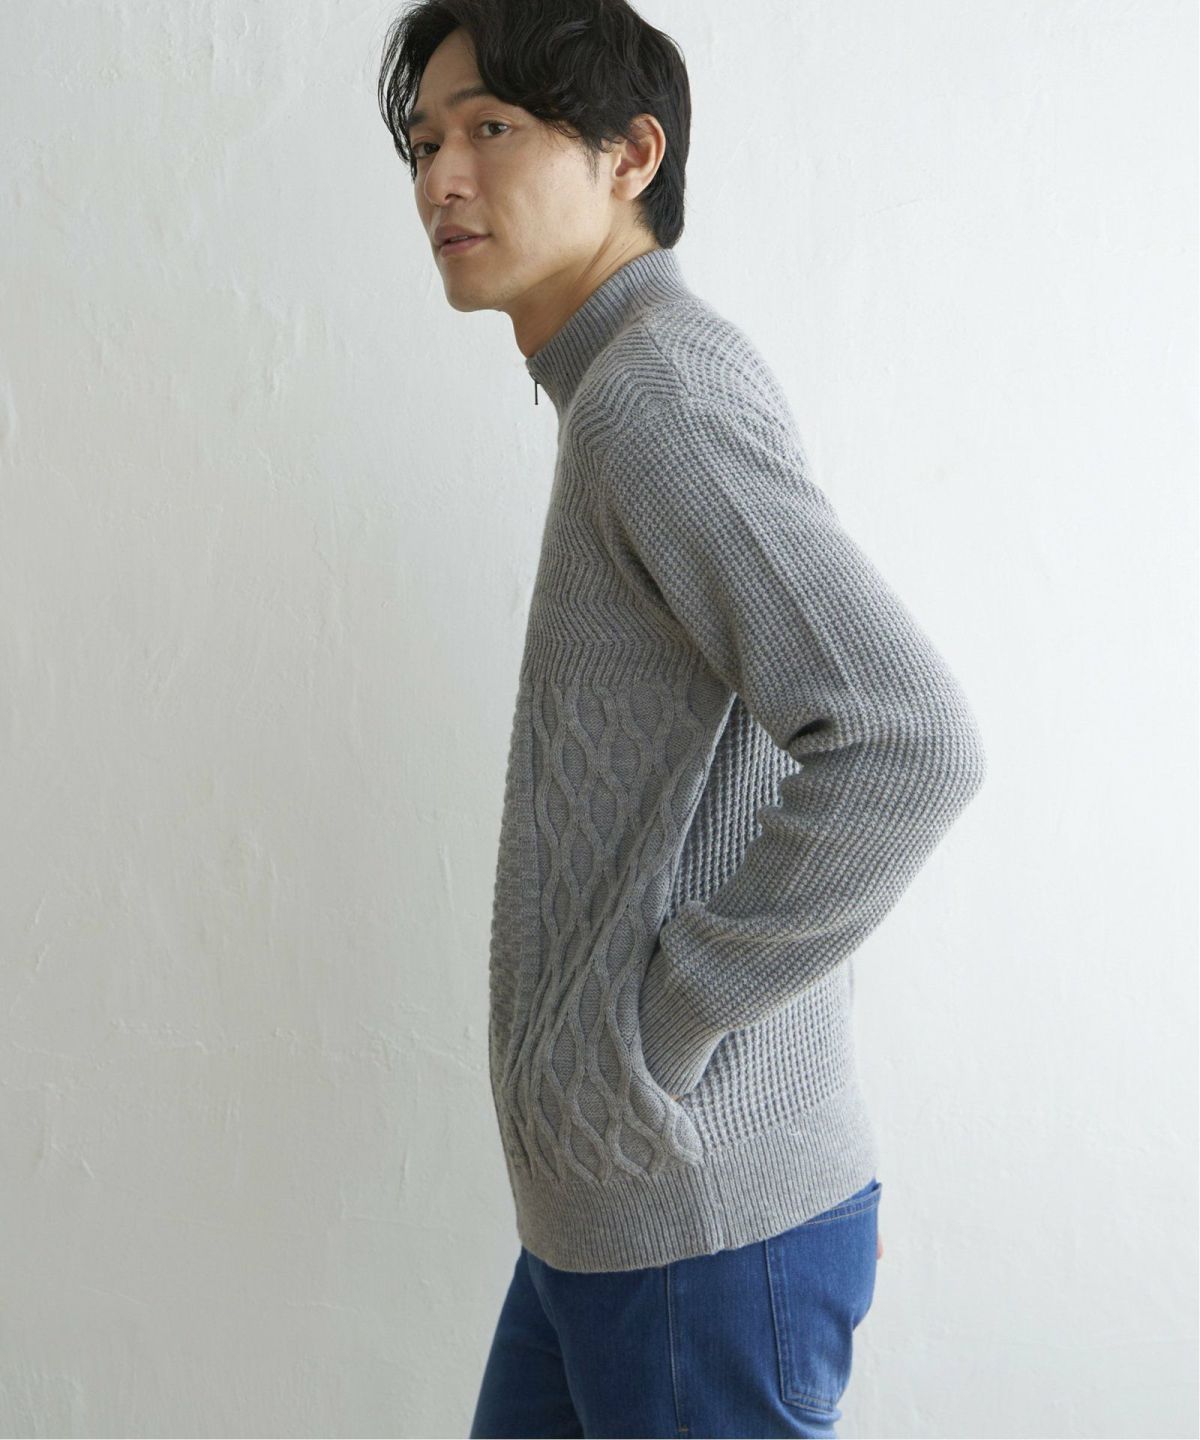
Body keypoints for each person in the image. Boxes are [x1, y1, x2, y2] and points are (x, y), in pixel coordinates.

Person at [378, 3, 987, 1435]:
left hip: (698, 1226)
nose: (441, 178)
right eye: (422, 143)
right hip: (620, 1208)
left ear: (630, 156)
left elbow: (906, 740)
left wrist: (659, 1029)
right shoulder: (617, 384)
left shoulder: (651, 392)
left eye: (491, 129)